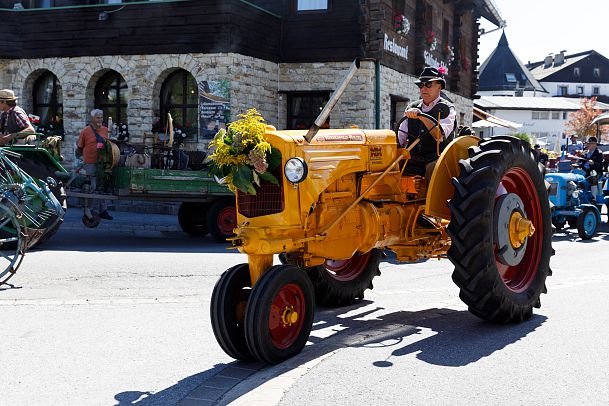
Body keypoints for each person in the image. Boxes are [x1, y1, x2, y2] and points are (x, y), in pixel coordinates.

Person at [397, 66, 456, 183]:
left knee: (433, 168)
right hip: (414, 157)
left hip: (438, 157)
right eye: (421, 85)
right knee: (391, 165)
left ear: (439, 87)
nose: (424, 89)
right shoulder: (411, 107)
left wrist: (421, 116)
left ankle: (432, 201)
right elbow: (400, 138)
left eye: (428, 85)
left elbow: (439, 135)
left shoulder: (448, 108)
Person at [77, 109, 113, 220]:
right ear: (92, 118)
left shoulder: (106, 130)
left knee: (102, 186)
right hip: (90, 162)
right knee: (92, 187)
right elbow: (79, 146)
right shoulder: (85, 131)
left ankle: (103, 210)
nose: (100, 120)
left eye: (101, 117)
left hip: (103, 163)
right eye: (98, 118)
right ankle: (89, 209)